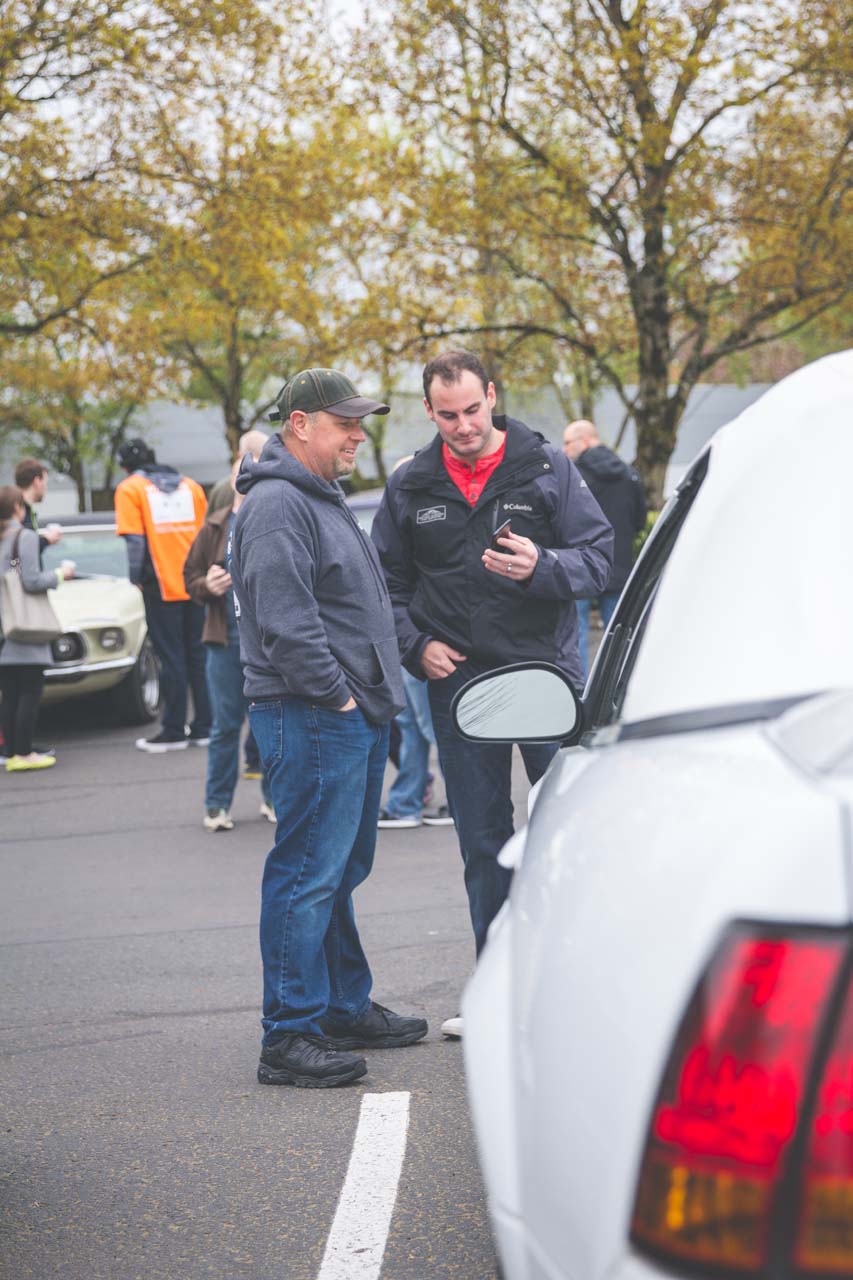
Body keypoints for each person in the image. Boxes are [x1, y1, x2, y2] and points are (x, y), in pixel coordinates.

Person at [372, 350, 613, 1036]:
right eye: (447, 415)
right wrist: (415, 644)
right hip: (459, 687)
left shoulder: (544, 465)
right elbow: (381, 585)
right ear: (428, 411)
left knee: (565, 839)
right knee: (482, 843)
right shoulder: (411, 484)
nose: (462, 426)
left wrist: (545, 566)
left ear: (492, 397)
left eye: (472, 410)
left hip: (545, 679)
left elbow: (599, 556)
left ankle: (581, 990)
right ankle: (499, 992)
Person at [230, 366, 427, 1088]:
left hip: (344, 712)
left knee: (336, 870)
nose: (356, 434)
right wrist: (339, 699)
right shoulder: (281, 503)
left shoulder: (316, 494)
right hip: (314, 714)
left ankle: (340, 1006)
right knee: (307, 874)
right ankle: (287, 1035)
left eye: (358, 422)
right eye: (343, 422)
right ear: (299, 425)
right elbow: (285, 622)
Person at [183, 458, 275, 832]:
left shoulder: (274, 515)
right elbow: (189, 578)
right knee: (225, 727)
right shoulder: (216, 524)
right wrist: (208, 585)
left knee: (271, 726)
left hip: (267, 646)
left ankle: (275, 800)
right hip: (224, 643)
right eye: (242, 471)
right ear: (234, 478)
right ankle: (217, 806)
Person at [114, 438, 211, 752]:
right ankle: (204, 726)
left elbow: (135, 542)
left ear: (126, 466)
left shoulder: (131, 489)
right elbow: (207, 534)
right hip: (196, 582)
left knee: (171, 658)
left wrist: (136, 578)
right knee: (197, 655)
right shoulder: (192, 487)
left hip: (161, 584)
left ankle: (173, 730)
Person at [562, 419, 647, 678]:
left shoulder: (573, 476)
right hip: (618, 565)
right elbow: (640, 520)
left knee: (576, 635)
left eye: (568, 443)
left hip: (581, 567)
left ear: (585, 440)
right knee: (619, 634)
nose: (564, 449)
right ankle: (621, 686)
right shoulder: (629, 474)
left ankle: (580, 692)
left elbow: (563, 520)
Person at [0, 485, 75, 772]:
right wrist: (59, 574)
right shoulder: (24, 536)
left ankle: (10, 751)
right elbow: (29, 580)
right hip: (24, 625)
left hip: (4, 626)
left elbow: (13, 570)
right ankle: (24, 752)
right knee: (30, 690)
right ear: (18, 507)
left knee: (9, 692)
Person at [207, 429, 270, 514]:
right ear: (267, 454)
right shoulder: (277, 487)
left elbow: (210, 522)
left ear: (239, 454)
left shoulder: (219, 489)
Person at [14, 458, 62, 559]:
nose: (46, 488)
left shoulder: (21, 509)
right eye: (45, 483)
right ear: (36, 482)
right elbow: (23, 552)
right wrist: (46, 540)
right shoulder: (18, 513)